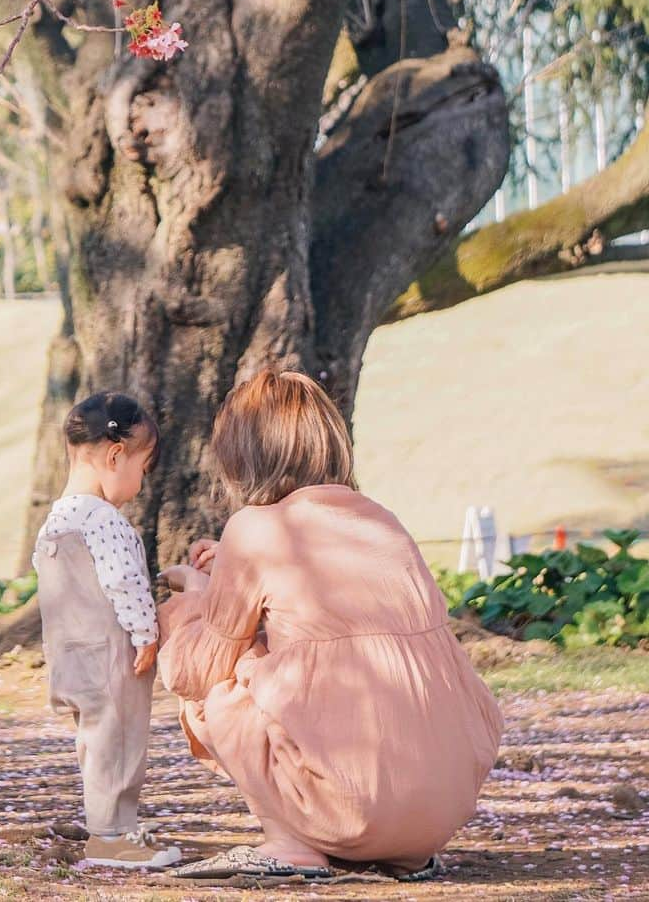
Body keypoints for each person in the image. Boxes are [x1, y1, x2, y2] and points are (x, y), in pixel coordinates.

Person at [158, 369, 504, 882]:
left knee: (211, 673)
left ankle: (290, 842)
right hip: (439, 813)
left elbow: (194, 671)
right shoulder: (382, 522)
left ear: (239, 454)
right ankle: (390, 847)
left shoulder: (256, 528)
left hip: (348, 805)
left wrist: (195, 596)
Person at [33, 391, 181, 870]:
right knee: (119, 744)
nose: (140, 484)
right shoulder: (106, 520)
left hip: (71, 654)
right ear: (115, 455)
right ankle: (112, 836)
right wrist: (145, 634)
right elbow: (123, 581)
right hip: (112, 653)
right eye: (142, 468)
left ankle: (108, 825)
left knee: (94, 743)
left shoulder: (55, 520)